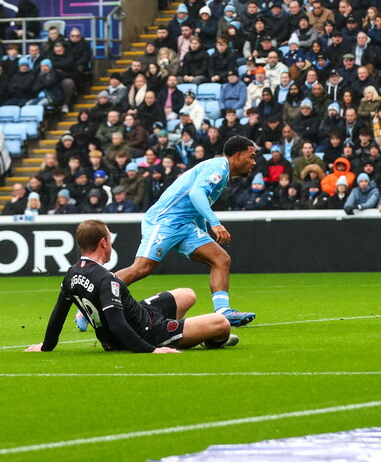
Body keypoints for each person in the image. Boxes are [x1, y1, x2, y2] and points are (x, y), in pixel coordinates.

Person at [76, 135, 259, 332]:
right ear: (238, 156)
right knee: (141, 268)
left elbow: (195, 204)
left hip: (185, 225)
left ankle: (223, 311)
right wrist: (215, 223)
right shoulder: (219, 167)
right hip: (164, 221)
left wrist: (203, 231)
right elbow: (196, 193)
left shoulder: (221, 172)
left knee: (221, 259)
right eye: (251, 156)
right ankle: (89, 303)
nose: (254, 162)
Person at [26, 220, 238, 354]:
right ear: (103, 243)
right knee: (221, 323)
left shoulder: (71, 274)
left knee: (187, 294)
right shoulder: (106, 279)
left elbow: (57, 315)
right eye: (110, 239)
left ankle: (185, 331)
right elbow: (117, 325)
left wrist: (46, 346)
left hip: (141, 315)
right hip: (148, 333)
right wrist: (152, 349)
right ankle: (202, 340)